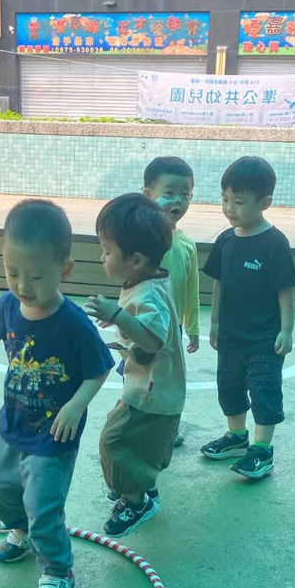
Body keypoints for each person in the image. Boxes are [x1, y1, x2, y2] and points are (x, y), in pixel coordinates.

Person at [0, 199, 114, 588]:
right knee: (2, 492)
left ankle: (58, 572)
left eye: (36, 276)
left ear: (65, 269)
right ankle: (19, 532)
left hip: (54, 436)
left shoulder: (73, 323)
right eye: (13, 272)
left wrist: (76, 405)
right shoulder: (8, 305)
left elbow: (99, 369)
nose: (23, 285)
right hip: (14, 425)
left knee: (43, 506)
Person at [85, 193, 186, 537]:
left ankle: (136, 500)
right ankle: (139, 485)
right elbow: (142, 323)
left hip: (152, 394)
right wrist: (121, 321)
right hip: (147, 387)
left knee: (115, 441)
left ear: (136, 259)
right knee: (133, 442)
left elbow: (153, 339)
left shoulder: (148, 293)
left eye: (107, 251)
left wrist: (118, 315)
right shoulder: (145, 280)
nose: (102, 257)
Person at [201, 156, 295, 479]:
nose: (229, 208)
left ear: (264, 203)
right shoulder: (226, 239)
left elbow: (285, 289)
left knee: (263, 390)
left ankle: (262, 449)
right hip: (231, 336)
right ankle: (236, 436)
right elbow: (219, 283)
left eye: (239, 202)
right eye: (225, 199)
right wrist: (214, 322)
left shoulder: (274, 243)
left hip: (264, 339)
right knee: (228, 387)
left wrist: (286, 329)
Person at [143, 155, 200, 446]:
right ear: (148, 195)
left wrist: (193, 327)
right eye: (168, 193)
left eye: (184, 194)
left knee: (171, 380)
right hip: (144, 324)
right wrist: (120, 313)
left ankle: (167, 428)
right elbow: (130, 278)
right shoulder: (143, 240)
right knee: (140, 377)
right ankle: (139, 424)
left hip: (172, 330)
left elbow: (191, 289)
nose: (177, 200)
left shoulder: (187, 244)